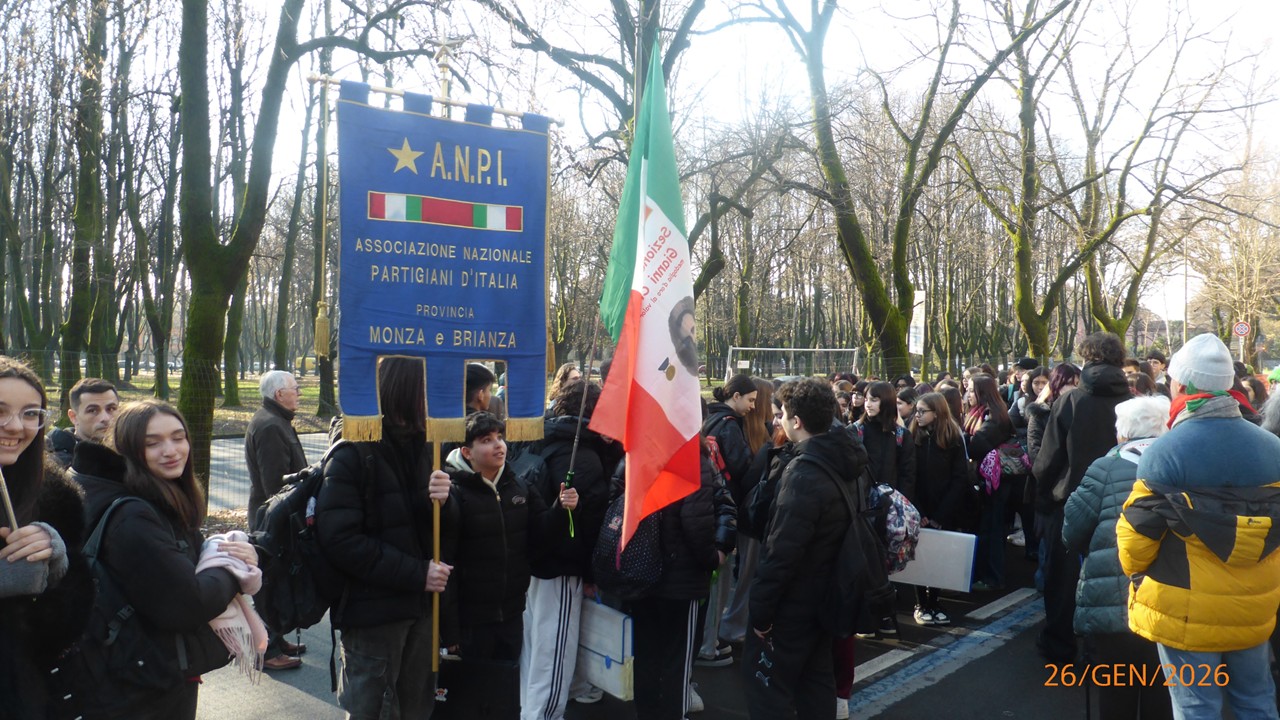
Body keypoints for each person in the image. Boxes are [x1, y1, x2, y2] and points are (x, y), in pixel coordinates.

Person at [1117, 333, 1280, 720]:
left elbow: (1136, 543)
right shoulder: (1272, 448)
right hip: (1255, 604)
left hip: (1186, 607)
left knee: (1196, 707)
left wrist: (1136, 573)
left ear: (1180, 385)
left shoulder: (1165, 452)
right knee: (1256, 700)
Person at [72, 399, 257, 718]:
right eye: (152, 443)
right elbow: (189, 604)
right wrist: (231, 569)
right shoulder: (134, 515)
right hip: (143, 684)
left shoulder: (147, 494)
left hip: (134, 668)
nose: (171, 451)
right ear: (128, 449)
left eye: (178, 437)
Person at [316, 357, 452, 720]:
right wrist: (417, 573)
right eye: (427, 389)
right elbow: (341, 540)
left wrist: (445, 501)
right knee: (374, 711)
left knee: (415, 708)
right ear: (406, 390)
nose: (435, 399)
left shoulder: (428, 446)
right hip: (373, 615)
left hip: (421, 609)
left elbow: (430, 526)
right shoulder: (352, 452)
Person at [744, 378, 868, 720]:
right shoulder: (844, 458)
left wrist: (761, 612)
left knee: (769, 691)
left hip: (794, 604)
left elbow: (781, 550)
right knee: (816, 684)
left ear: (796, 421)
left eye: (782, 414)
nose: (778, 420)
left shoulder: (804, 473)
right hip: (826, 596)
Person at [1062, 395, 1173, 720]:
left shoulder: (1105, 466)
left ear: (1123, 432)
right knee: (1161, 694)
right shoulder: (1181, 465)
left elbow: (1072, 531)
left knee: (1115, 693)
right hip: (1167, 597)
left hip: (1111, 599)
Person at [0, 357, 92, 720]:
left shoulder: (56, 497)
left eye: (30, 413)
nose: (15, 426)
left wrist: (58, 561)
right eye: (0, 411)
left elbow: (64, 629)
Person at [1033, 332, 1130, 663]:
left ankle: (1059, 646)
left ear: (1086, 359)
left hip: (1071, 500)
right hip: (1123, 501)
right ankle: (1108, 650)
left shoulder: (1070, 402)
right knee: (1116, 578)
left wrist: (1044, 497)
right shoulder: (1134, 403)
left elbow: (1048, 460)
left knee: (1062, 580)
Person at [520, 380, 610, 720]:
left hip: (533, 560)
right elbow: (591, 524)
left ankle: (530, 711)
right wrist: (591, 574)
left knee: (534, 648)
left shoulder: (538, 437)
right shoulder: (583, 457)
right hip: (560, 566)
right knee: (554, 651)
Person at [628, 435, 735, 720]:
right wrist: (714, 557)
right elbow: (697, 522)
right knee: (678, 657)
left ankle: (647, 714)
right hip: (681, 579)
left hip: (640, 572)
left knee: (647, 652)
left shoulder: (636, 455)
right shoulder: (692, 462)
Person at [243, 370, 309, 670]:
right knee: (269, 584)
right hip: (272, 519)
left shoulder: (276, 420)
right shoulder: (270, 425)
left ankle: (276, 638)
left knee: (277, 580)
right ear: (279, 394)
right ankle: (266, 650)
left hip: (276, 516)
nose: (299, 393)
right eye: (295, 388)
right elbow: (276, 483)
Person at [964, 374, 1015, 591]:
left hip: (995, 482)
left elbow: (977, 446)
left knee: (992, 529)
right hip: (990, 480)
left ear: (982, 393)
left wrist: (965, 439)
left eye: (971, 390)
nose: (967, 394)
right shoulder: (985, 413)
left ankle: (992, 578)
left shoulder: (993, 417)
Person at [45, 377, 118, 467]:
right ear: (73, 417)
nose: (105, 418)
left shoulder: (129, 455)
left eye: (111, 409)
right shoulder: (57, 465)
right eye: (93, 410)